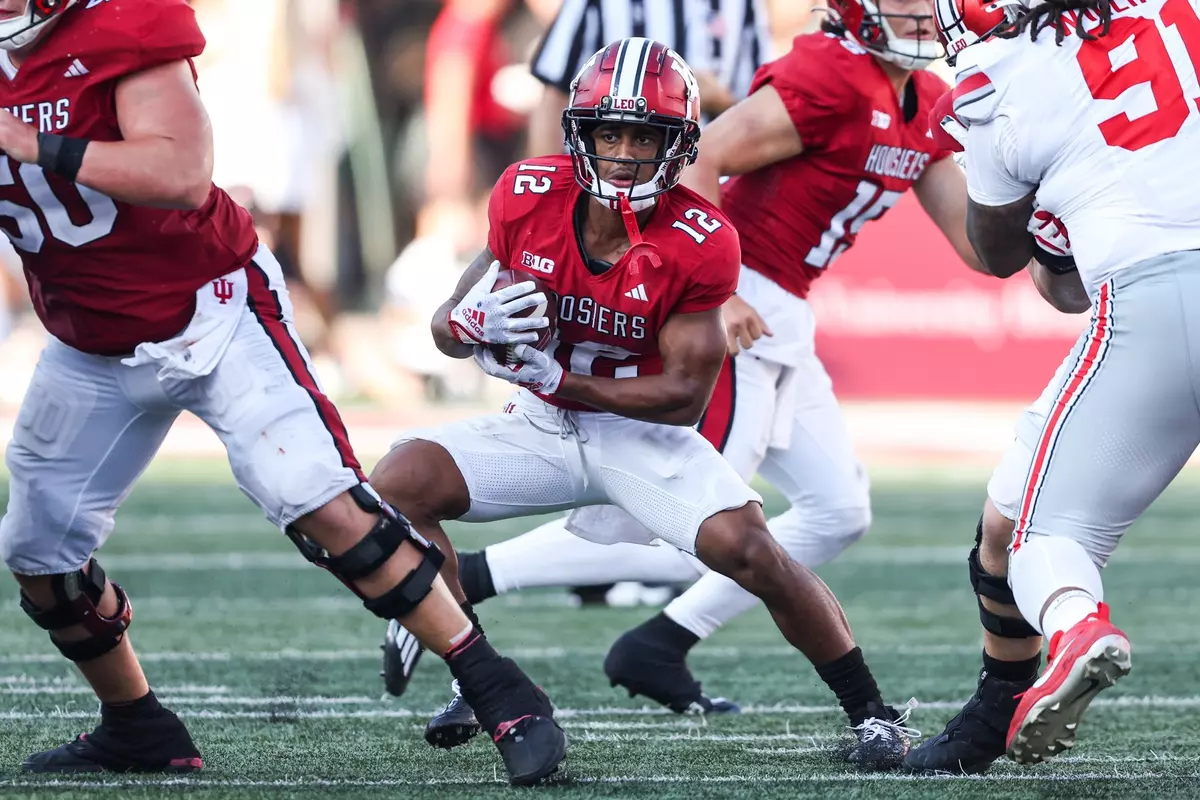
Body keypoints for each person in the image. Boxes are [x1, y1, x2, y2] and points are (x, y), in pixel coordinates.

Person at [0, 0, 562, 786]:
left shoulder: (120, 23)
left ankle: (495, 682)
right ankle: (136, 725)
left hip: (210, 306)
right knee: (37, 545)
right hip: (90, 338)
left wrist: (29, 140)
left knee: (318, 499)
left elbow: (179, 172)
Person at [385, 0, 995, 716]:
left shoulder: (931, 103)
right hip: (733, 300)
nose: (928, 15)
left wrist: (1039, 196)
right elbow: (702, 157)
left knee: (836, 510)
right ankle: (477, 595)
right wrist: (726, 292)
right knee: (690, 518)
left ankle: (654, 639)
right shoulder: (833, 73)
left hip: (785, 307)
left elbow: (981, 245)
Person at [906, 0, 1200, 771]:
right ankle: (986, 719)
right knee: (1004, 522)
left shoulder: (997, 74)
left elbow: (1004, 258)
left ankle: (1077, 628)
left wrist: (1051, 234)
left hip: (1153, 300)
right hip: (1150, 283)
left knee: (1046, 541)